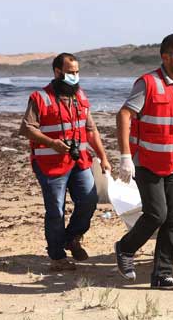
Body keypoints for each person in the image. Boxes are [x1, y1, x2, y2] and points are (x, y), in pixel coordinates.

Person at [114, 33, 173, 290]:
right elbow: (124, 115)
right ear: (166, 57)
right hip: (147, 162)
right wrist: (125, 157)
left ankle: (162, 275)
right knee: (156, 214)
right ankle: (125, 248)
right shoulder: (148, 83)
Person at [20, 53, 111, 271]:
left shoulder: (80, 96)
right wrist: (52, 143)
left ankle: (72, 238)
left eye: (77, 72)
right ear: (57, 72)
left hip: (80, 162)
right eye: (70, 72)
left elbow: (91, 129)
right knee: (56, 211)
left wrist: (104, 156)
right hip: (50, 165)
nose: (75, 76)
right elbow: (26, 128)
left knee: (89, 201)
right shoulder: (40, 98)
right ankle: (57, 256)